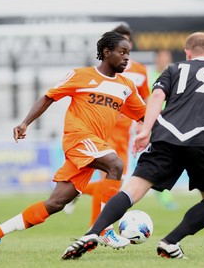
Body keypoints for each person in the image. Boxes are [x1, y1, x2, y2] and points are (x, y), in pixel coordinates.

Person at [61, 32, 204, 260]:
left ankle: (92, 232)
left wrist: (146, 130)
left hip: (164, 136)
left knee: (132, 189)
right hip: (200, 141)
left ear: (187, 53)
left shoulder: (174, 69)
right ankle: (170, 242)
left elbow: (157, 96)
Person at [0, 31, 146, 254]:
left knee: (56, 203)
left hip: (94, 147)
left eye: (129, 53)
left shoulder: (127, 86)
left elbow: (146, 115)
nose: (127, 58)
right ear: (106, 53)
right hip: (78, 138)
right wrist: (25, 123)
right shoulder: (81, 76)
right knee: (115, 164)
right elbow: (49, 96)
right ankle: (104, 228)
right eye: (122, 52)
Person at [63, 24, 150, 248]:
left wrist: (144, 127)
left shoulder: (139, 71)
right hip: (102, 131)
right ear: (108, 50)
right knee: (111, 177)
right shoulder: (101, 71)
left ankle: (79, 198)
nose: (124, 52)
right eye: (120, 47)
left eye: (127, 46)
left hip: (125, 134)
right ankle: (99, 230)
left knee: (114, 184)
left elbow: (145, 100)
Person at [148, 49, 178, 210]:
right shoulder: (149, 78)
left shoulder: (175, 77)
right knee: (158, 161)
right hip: (153, 125)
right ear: (156, 60)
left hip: (171, 125)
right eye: (162, 58)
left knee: (166, 163)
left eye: (168, 58)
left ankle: (162, 192)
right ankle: (163, 195)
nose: (164, 62)